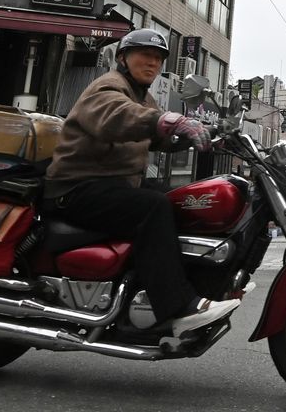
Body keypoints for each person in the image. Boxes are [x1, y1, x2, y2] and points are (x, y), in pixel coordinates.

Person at [45, 28, 238, 343]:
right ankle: (178, 306)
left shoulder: (141, 95)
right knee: (154, 207)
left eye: (158, 59)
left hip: (111, 184)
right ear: (122, 57)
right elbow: (118, 117)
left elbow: (153, 132)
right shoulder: (109, 86)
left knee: (180, 201)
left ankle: (160, 287)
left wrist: (190, 136)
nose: (151, 63)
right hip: (74, 187)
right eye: (143, 56)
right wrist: (170, 122)